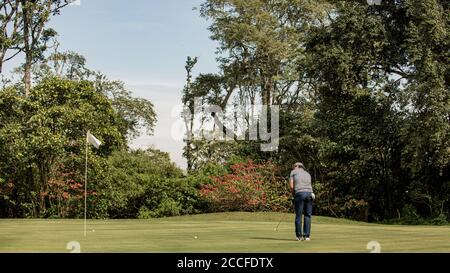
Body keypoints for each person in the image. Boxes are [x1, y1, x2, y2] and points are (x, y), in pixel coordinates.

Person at [289, 162, 314, 241]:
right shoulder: (307, 173)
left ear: (296, 166)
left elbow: (291, 185)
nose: (293, 168)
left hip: (300, 193)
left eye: (293, 166)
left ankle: (299, 236)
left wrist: (293, 195)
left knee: (299, 215)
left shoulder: (293, 172)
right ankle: (307, 236)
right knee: (308, 215)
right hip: (310, 194)